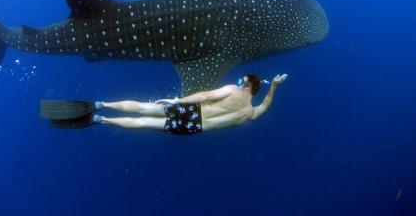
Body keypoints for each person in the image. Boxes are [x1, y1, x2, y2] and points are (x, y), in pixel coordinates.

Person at [40, 73, 288, 134]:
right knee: (147, 123)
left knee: (144, 107)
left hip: (191, 111)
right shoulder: (249, 112)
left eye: (241, 79)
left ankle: (101, 104)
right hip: (195, 128)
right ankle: (100, 119)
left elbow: (204, 96)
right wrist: (274, 86)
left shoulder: (233, 90)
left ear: (247, 85)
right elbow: (265, 106)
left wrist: (178, 99)